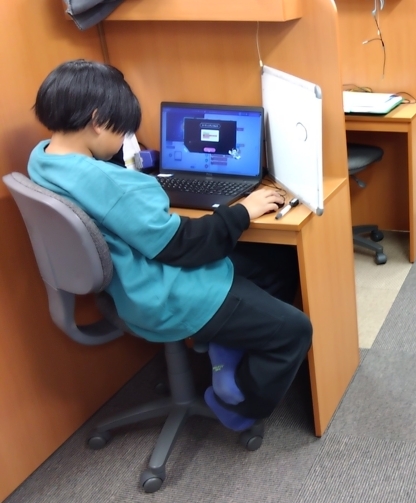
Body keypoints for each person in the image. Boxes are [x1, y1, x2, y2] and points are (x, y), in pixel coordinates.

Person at [27, 59, 313, 435]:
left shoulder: (42, 158)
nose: (124, 139)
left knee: (275, 258)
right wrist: (243, 210)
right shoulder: (110, 185)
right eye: (122, 129)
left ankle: (226, 345)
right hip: (163, 293)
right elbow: (182, 246)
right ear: (97, 121)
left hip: (129, 281)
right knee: (295, 330)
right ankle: (239, 405)